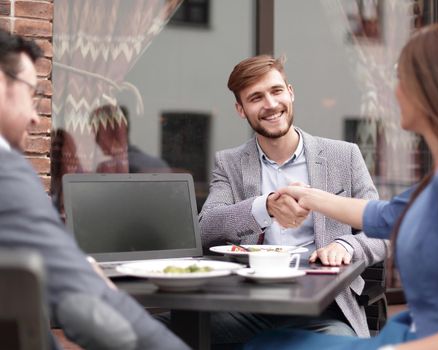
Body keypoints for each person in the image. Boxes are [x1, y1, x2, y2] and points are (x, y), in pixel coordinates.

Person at [246, 22, 438, 350]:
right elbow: (384, 214)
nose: (395, 90)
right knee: (271, 342)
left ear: (431, 88)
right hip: (412, 333)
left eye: (400, 77)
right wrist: (307, 195)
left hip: (419, 344)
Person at [0, 30, 189, 349]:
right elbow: (92, 310)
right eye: (32, 94)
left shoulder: (143, 164)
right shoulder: (7, 174)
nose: (35, 116)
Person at [198, 54, 388, 345]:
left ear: (291, 92)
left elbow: (380, 232)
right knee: (160, 330)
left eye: (276, 91)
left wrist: (345, 244)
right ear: (241, 109)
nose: (271, 104)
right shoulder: (230, 163)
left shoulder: (344, 156)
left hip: (325, 309)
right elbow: (206, 228)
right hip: (248, 308)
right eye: (256, 97)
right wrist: (265, 206)